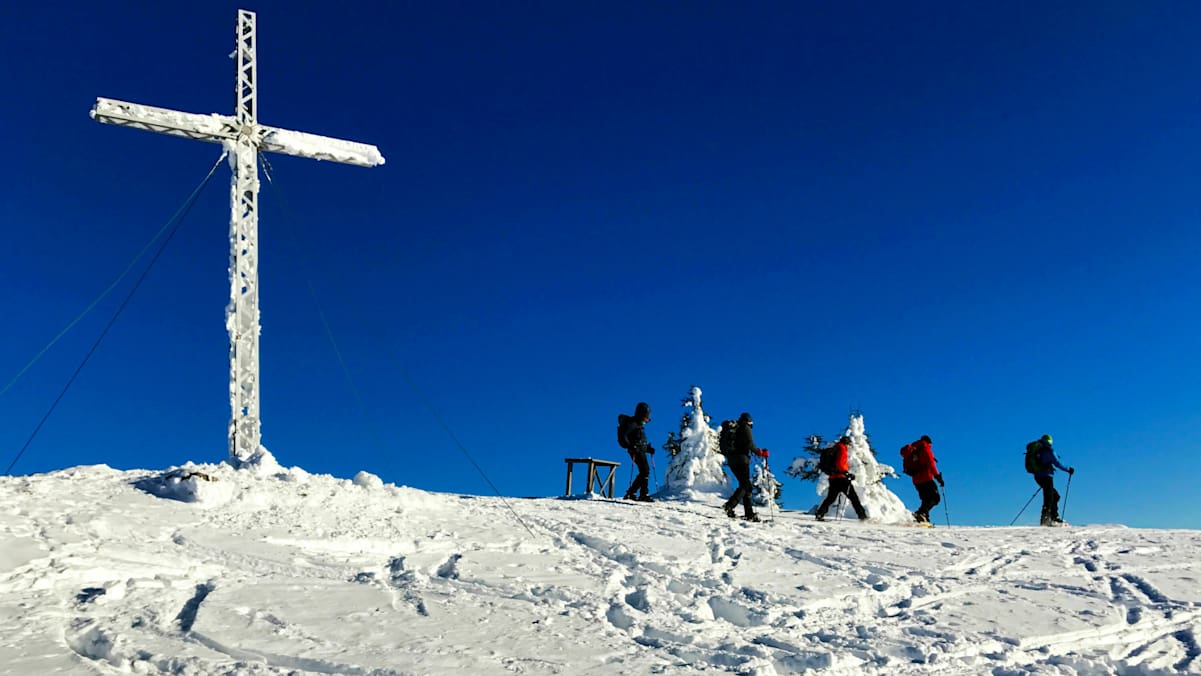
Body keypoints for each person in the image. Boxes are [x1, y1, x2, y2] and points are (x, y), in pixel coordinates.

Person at [723, 412, 767, 522]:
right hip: (741, 460)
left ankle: (749, 513)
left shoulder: (735, 429)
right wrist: (760, 452)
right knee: (745, 484)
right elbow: (749, 444)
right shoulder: (745, 427)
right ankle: (729, 505)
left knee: (746, 485)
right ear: (749, 421)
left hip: (732, 460)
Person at [814, 435, 868, 521]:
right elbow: (840, 463)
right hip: (841, 478)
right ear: (846, 443)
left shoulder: (835, 448)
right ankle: (863, 517)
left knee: (830, 498)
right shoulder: (842, 449)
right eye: (849, 444)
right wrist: (846, 473)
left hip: (833, 478)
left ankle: (820, 514)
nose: (849, 446)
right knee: (854, 498)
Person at [1029, 434, 1073, 526]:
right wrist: (1068, 469)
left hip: (1038, 476)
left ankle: (1051, 517)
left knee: (1054, 495)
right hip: (1046, 476)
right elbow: (1057, 463)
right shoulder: (1048, 451)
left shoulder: (1039, 451)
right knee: (1049, 497)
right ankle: (1047, 519)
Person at [900, 435, 943, 525]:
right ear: (928, 442)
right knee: (935, 498)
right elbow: (931, 464)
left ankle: (924, 518)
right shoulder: (925, 449)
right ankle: (921, 513)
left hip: (916, 481)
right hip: (926, 478)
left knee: (926, 499)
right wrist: (938, 477)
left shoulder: (913, 449)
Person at [621, 402, 655, 502]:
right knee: (645, 471)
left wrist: (648, 449)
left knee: (644, 471)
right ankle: (642, 494)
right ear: (641, 415)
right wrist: (631, 446)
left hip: (639, 450)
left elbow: (639, 441)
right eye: (646, 418)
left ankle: (632, 493)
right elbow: (623, 437)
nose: (646, 421)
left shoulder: (638, 425)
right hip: (635, 451)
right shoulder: (632, 424)